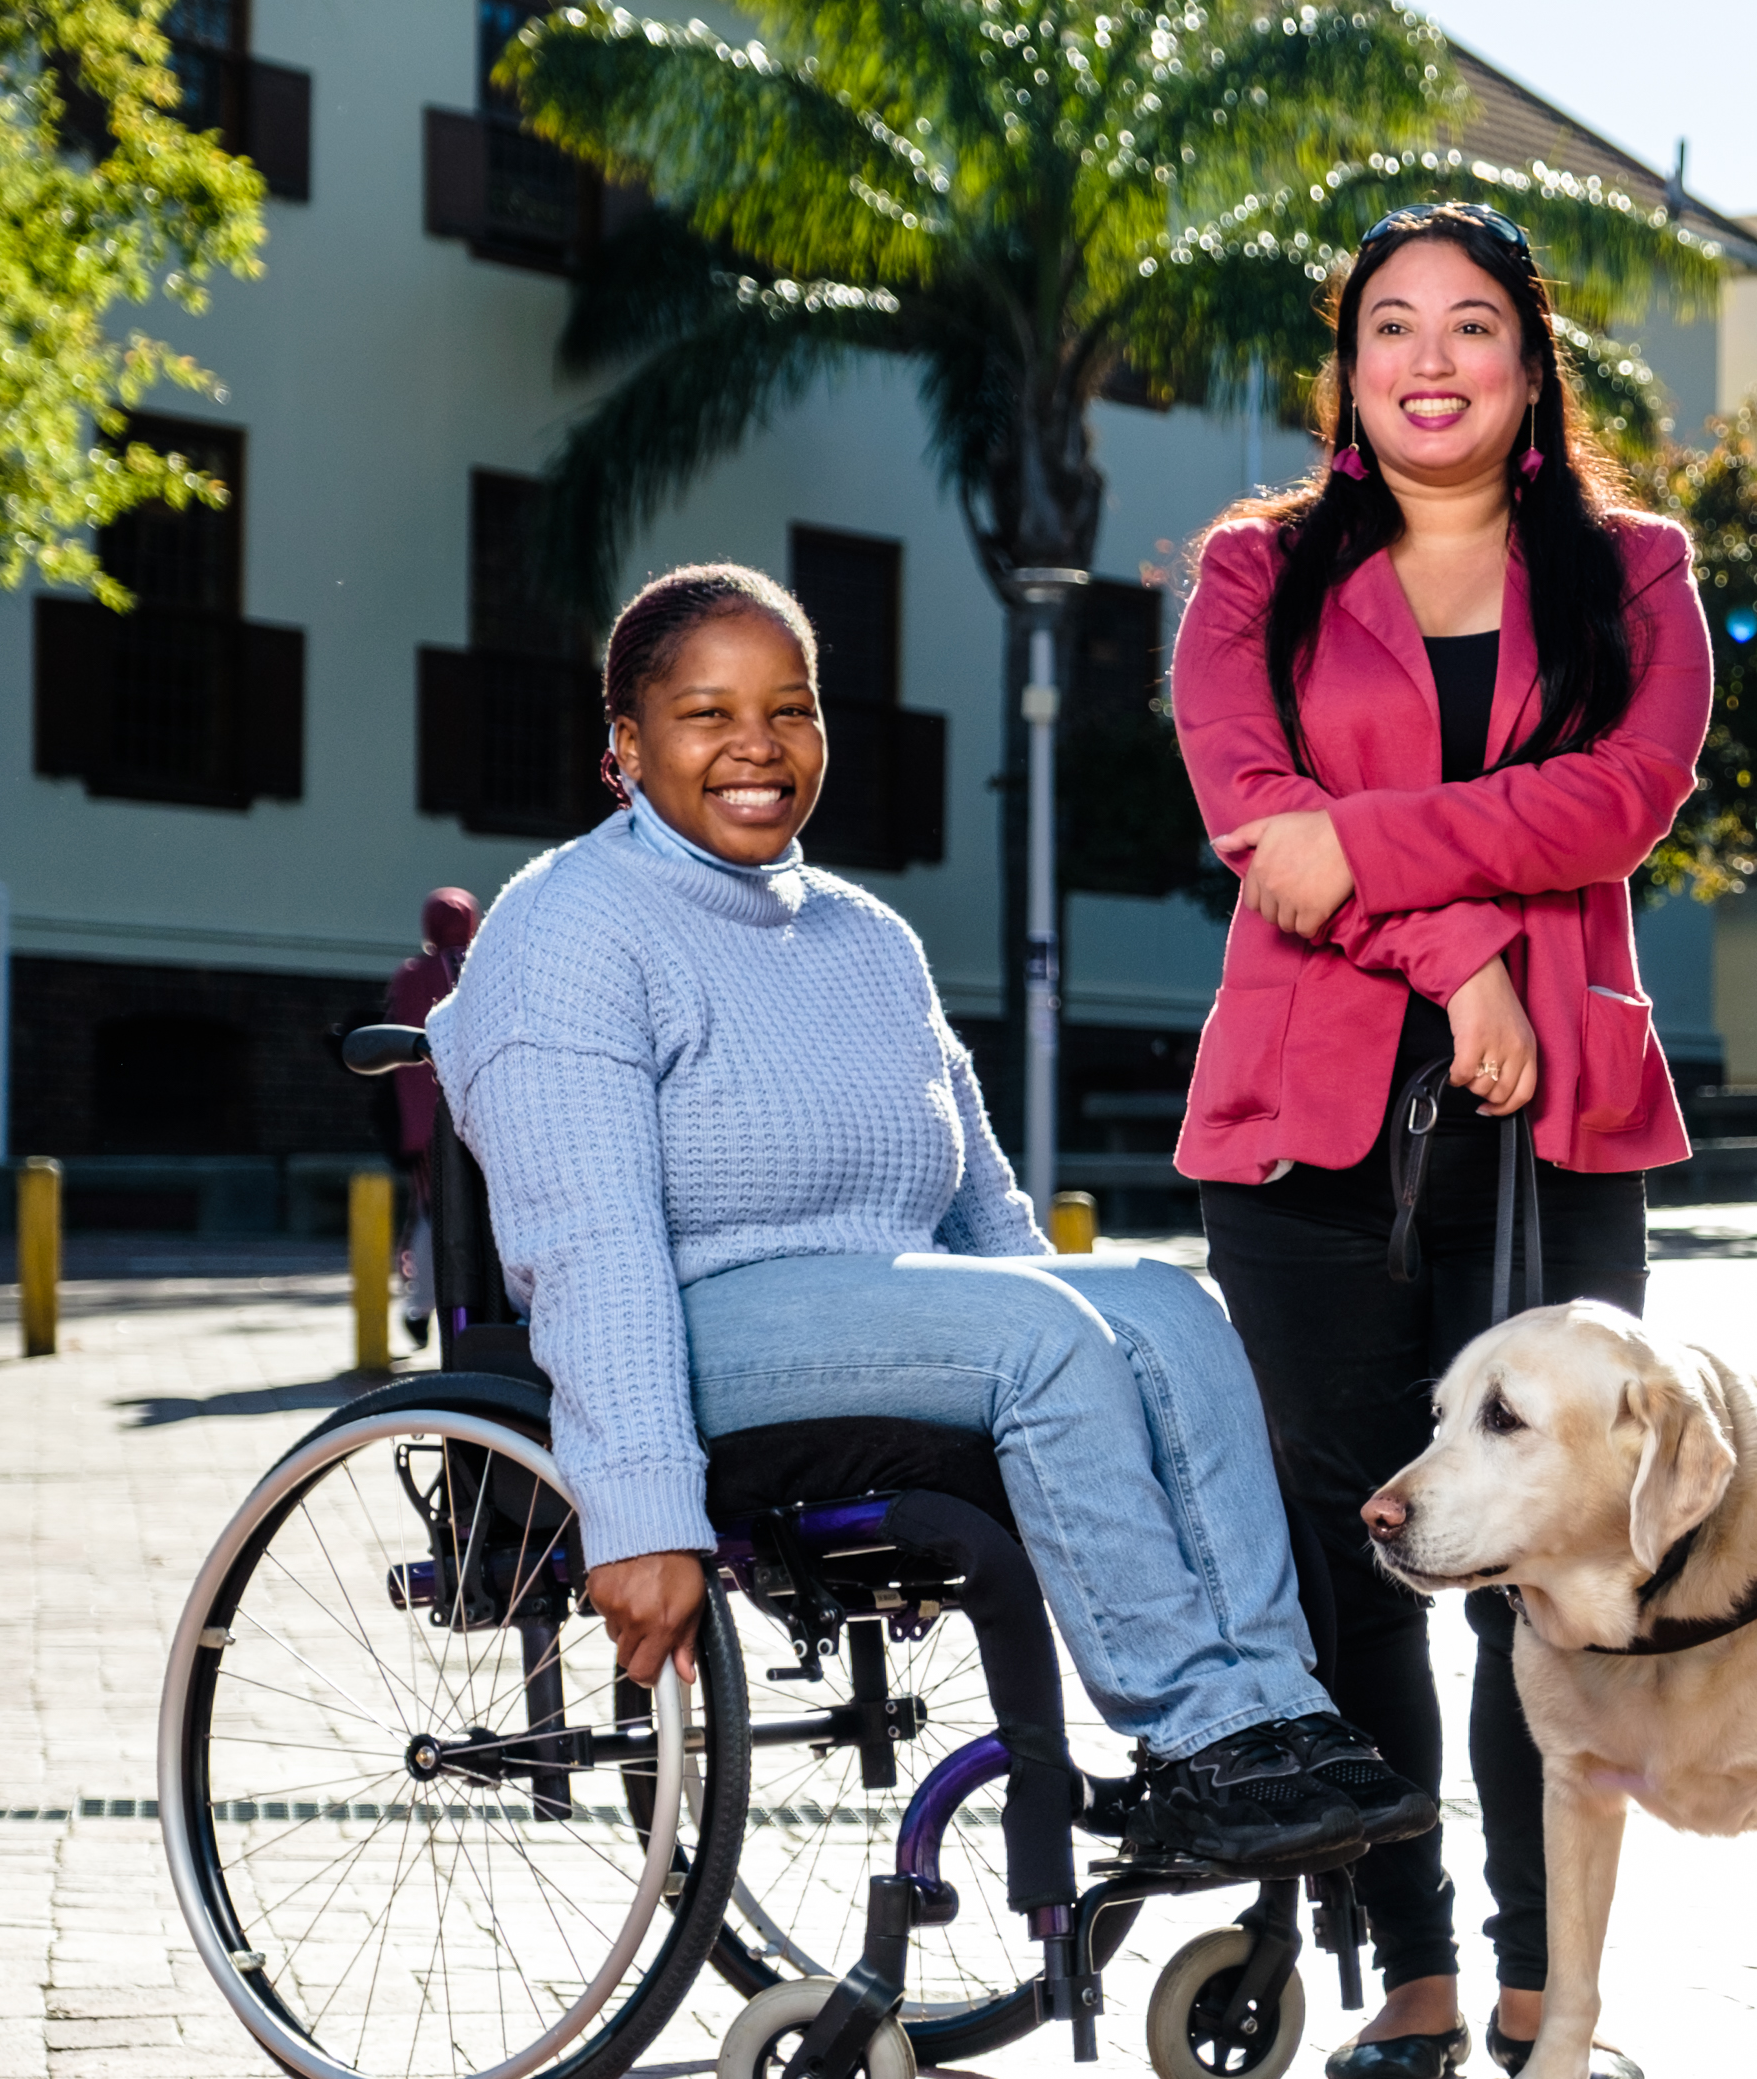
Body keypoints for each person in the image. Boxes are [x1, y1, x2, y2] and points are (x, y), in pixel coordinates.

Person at [427, 564, 1428, 1877]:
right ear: (624, 744)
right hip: (686, 1327)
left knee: (1170, 1309)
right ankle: (1200, 1737)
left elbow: (989, 1215)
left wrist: (1095, 1347)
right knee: (1045, 1338)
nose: (756, 747)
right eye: (705, 712)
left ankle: (1275, 1718)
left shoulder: (866, 937)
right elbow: (588, 1247)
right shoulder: (565, 928)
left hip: (885, 1310)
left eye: (791, 709)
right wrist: (639, 1512)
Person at [1174, 201, 1711, 2079]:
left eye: (1469, 324)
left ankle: (1547, 1980)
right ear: (1347, 367)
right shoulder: (1252, 576)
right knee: (1360, 1537)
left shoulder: (1636, 568)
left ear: (1528, 359)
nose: (1427, 357)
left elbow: (1623, 798)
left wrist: (1397, 870)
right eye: (1387, 323)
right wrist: (1464, 949)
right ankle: (1399, 1957)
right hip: (1300, 1133)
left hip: (1552, 1122)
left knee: (1552, 1551)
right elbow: (1260, 816)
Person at [385, 887, 479, 1341]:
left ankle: (421, 1306)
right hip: (479, 1110)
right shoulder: (482, 970)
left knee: (430, 1211)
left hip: (426, 1124)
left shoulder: (409, 978)